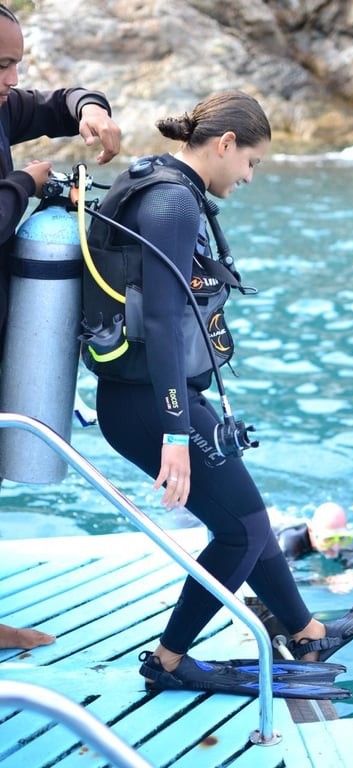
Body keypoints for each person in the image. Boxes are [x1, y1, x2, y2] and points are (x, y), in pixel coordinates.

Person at [81, 90, 353, 694]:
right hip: (148, 404)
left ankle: (306, 631)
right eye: (251, 162)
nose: (250, 176)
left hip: (154, 392)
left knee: (249, 517)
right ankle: (169, 662)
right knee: (242, 531)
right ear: (226, 143)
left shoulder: (161, 182)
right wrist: (175, 434)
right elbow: (161, 321)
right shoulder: (174, 203)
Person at [0, 2, 121, 651]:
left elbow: (56, 103)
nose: (12, 79)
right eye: (1, 64)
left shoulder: (3, 107)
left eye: (17, 63)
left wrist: (90, 110)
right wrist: (24, 181)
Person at [275, 501, 353, 561]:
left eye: (341, 538)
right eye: (328, 539)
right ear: (311, 532)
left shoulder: (346, 540)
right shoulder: (290, 544)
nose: (336, 547)